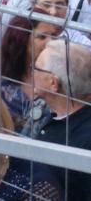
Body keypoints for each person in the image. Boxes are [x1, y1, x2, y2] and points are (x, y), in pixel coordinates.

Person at [31, 39, 91, 200]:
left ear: (53, 83)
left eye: (37, 67)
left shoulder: (84, 140)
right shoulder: (58, 114)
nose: (32, 72)